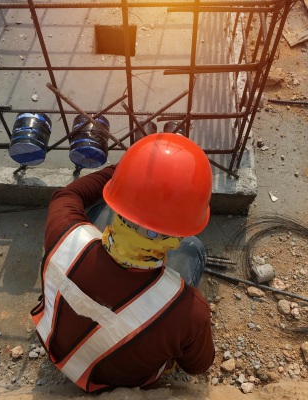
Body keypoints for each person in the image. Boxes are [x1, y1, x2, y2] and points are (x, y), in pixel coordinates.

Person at [31, 133, 215, 393]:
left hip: (56, 349)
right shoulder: (191, 312)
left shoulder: (63, 230)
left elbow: (69, 193)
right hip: (117, 383)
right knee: (193, 249)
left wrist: (133, 171)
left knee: (97, 211)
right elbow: (198, 365)